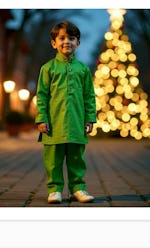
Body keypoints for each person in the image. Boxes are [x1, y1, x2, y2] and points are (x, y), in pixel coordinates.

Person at [35, 21, 97, 204]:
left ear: (78, 42)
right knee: (53, 160)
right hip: (53, 125)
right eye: (61, 38)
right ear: (54, 43)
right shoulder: (48, 69)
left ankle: (78, 188)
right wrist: (41, 118)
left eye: (71, 38)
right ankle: (54, 190)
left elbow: (89, 96)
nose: (66, 42)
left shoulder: (83, 70)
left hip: (77, 124)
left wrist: (90, 119)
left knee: (76, 159)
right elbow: (42, 96)